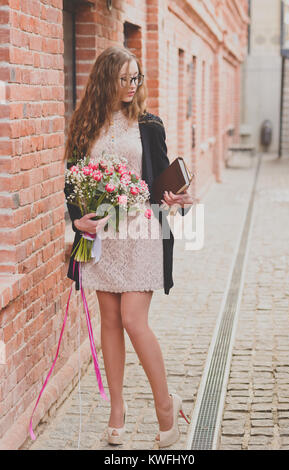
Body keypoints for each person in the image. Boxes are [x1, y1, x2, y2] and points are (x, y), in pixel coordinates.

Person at [64, 45, 193, 448]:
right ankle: (116, 410)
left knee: (135, 320)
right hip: (103, 237)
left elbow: (162, 182)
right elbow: (73, 181)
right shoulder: (85, 124)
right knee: (110, 322)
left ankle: (166, 406)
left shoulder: (149, 125)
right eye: (124, 78)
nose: (131, 86)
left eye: (136, 78)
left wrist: (176, 199)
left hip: (140, 232)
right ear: (106, 79)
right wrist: (77, 218)